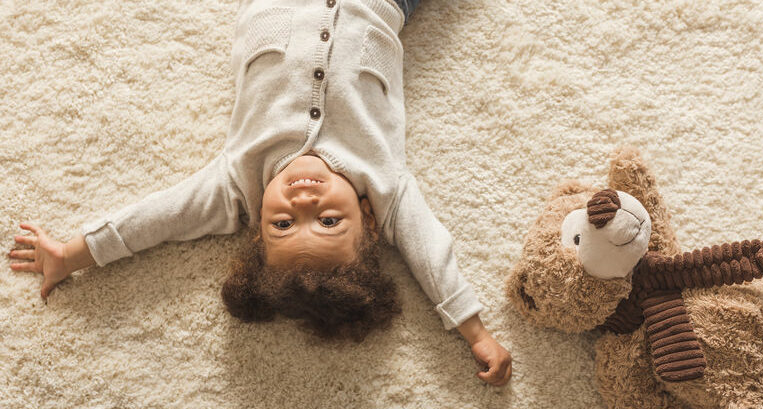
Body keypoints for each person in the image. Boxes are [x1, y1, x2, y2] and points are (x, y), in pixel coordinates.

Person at [8, 0, 512, 385]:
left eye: (283, 225)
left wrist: (73, 254)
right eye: (330, 222)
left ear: (257, 227)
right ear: (369, 219)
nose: (304, 204)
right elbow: (431, 254)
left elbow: (156, 219)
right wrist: (474, 331)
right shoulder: (384, 184)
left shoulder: (238, 183)